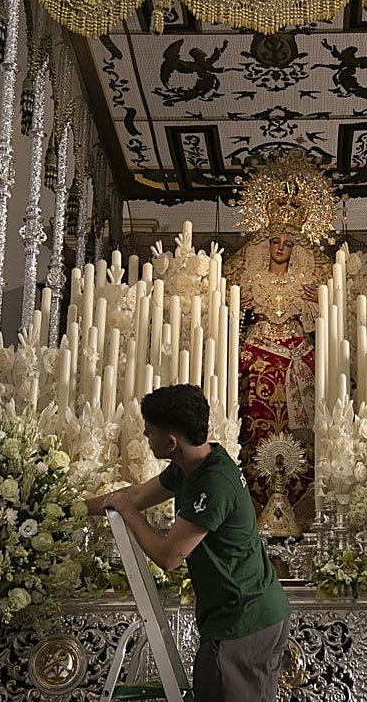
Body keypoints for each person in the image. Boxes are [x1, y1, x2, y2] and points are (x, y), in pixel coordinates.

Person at [85, 384, 291, 702]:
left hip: (244, 620)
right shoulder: (192, 464)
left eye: (149, 430)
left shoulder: (213, 482)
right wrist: (73, 508)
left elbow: (169, 557)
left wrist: (128, 513)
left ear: (170, 442)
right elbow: (135, 496)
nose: (144, 434)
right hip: (241, 616)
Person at [230, 227, 322, 527]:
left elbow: (318, 323)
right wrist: (236, 307)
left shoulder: (305, 283)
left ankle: (299, 495)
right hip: (258, 352)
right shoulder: (252, 281)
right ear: (265, 246)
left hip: (296, 354)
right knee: (252, 414)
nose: (280, 247)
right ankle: (254, 493)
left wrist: (320, 299)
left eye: (288, 243)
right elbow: (236, 318)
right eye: (275, 241)